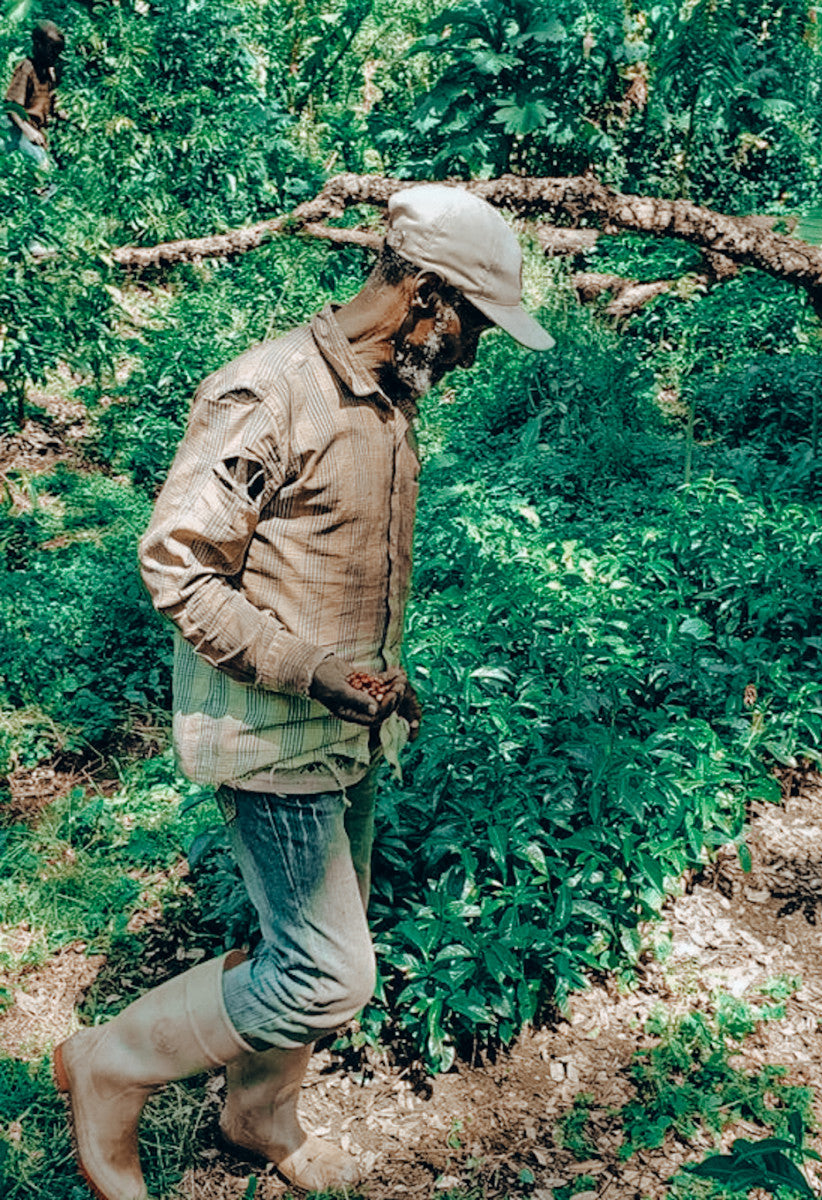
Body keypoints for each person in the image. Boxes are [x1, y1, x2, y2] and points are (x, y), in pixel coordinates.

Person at [53, 185, 555, 1200]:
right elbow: (179, 568)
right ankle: (107, 1065)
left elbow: (334, 565)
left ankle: (258, 1115)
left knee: (313, 946)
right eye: (472, 326)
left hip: (346, 733)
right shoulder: (269, 393)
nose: (473, 354)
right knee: (329, 971)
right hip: (273, 735)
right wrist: (316, 670)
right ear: (422, 292)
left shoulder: (385, 395)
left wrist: (375, 673)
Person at [5, 20, 64, 166]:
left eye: (58, 51)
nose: (55, 56)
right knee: (42, 164)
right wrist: (28, 130)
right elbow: (12, 108)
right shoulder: (27, 68)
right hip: (18, 129)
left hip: (36, 130)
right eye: (52, 50)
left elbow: (54, 106)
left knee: (57, 164)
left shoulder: (49, 73)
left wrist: (76, 120)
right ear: (39, 46)